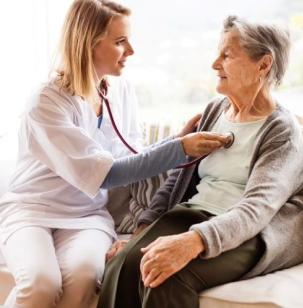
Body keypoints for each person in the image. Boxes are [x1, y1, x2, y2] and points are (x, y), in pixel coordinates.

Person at [0, 1, 227, 307]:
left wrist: (177, 139)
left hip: (86, 215)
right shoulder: (47, 102)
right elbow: (109, 174)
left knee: (83, 279)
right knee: (42, 283)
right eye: (120, 42)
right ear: (87, 44)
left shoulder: (119, 90)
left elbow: (130, 158)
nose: (131, 50)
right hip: (31, 212)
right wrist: (180, 148)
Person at [98, 15, 303, 308]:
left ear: (263, 64)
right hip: (196, 214)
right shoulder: (215, 110)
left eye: (227, 55)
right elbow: (178, 180)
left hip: (254, 232)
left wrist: (192, 242)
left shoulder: (281, 131)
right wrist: (140, 235)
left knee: (165, 276)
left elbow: (256, 209)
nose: (215, 64)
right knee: (122, 263)